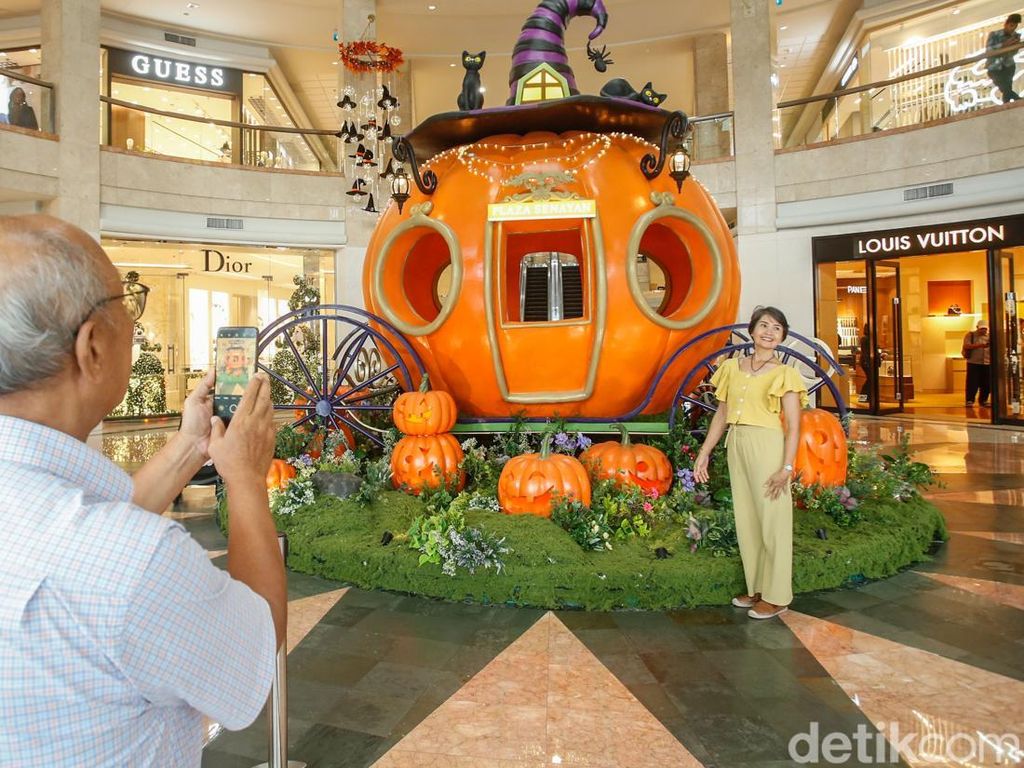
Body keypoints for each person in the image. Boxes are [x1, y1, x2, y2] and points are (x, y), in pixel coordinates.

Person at [0, 214, 284, 766]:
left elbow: (75, 529)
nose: (134, 320)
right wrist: (246, 480)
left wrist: (189, 447)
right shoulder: (137, 563)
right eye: (125, 302)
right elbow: (250, 651)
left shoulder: (71, 527)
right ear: (92, 348)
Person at [693, 306, 808, 620]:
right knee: (748, 520)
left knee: (774, 520)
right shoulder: (732, 367)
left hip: (767, 445)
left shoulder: (785, 374)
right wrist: (705, 451)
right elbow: (721, 413)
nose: (769, 332)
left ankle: (777, 595)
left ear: (782, 336)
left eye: (776, 328)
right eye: (764, 326)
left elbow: (794, 426)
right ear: (753, 330)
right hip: (737, 444)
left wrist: (786, 467)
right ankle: (757, 587)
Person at [986, 13, 1021, 104]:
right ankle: (1019, 101)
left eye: (1015, 26)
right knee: (1005, 88)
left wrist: (1015, 45)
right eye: (1011, 25)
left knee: (1007, 89)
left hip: (1009, 65)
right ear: (1006, 24)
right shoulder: (994, 34)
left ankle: (1007, 106)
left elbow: (1014, 53)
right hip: (994, 67)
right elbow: (989, 50)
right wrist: (1004, 44)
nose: (1013, 28)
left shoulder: (1015, 36)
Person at [962, 319, 991, 407]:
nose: (983, 331)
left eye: (985, 329)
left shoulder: (990, 336)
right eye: (981, 329)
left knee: (986, 383)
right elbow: (966, 345)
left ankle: (983, 400)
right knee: (972, 383)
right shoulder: (970, 335)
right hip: (973, 362)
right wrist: (980, 345)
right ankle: (970, 400)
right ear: (977, 328)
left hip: (987, 362)